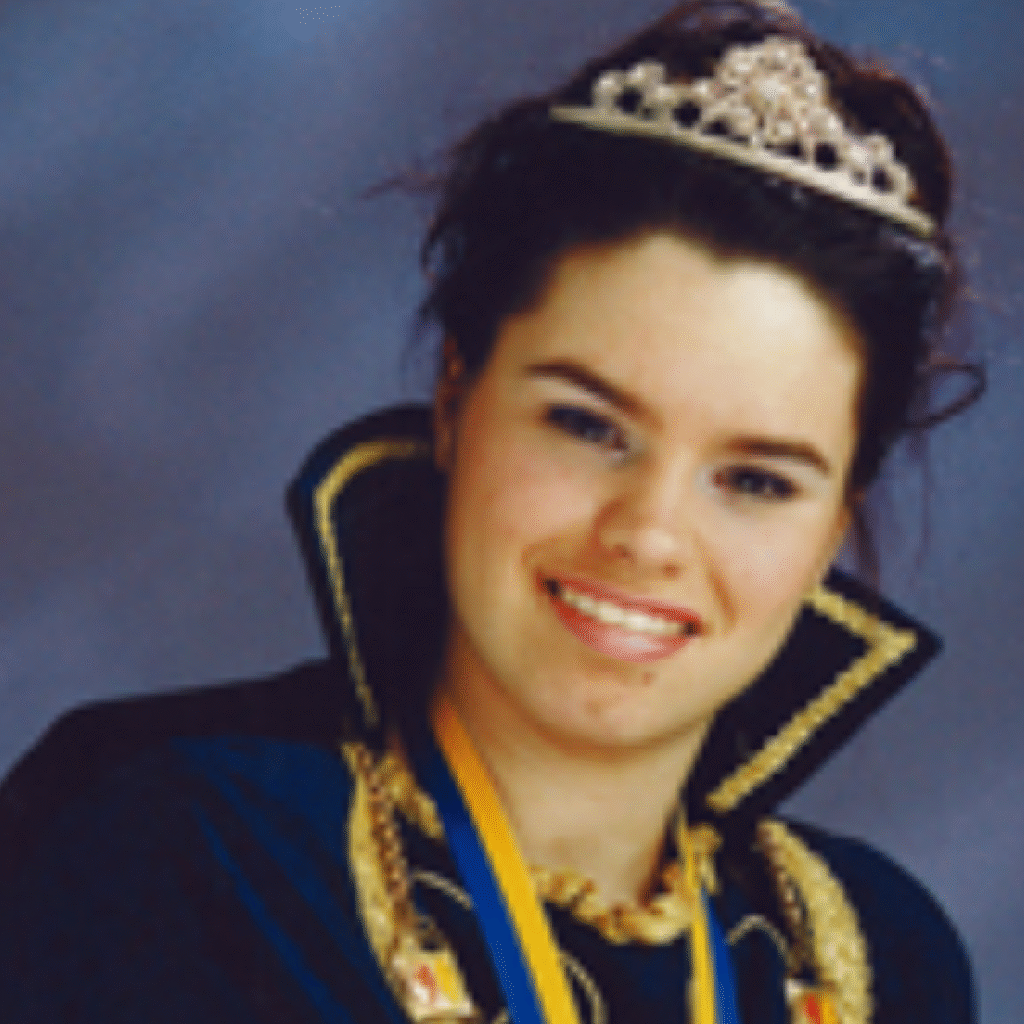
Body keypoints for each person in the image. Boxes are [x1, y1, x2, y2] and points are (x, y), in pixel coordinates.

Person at [0, 2, 982, 1022]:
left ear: (832, 526)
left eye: (756, 481)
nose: (647, 533)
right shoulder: (194, 856)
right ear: (454, 401)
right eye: (588, 426)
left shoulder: (882, 964)